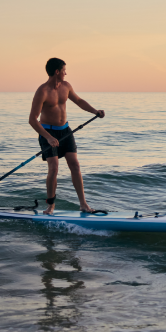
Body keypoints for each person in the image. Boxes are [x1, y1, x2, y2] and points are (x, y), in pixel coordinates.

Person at [29, 58, 105, 215]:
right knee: (54, 168)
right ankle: (50, 206)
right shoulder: (42, 91)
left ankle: (83, 204)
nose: (66, 72)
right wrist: (48, 137)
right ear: (57, 72)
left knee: (75, 165)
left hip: (66, 131)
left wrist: (94, 111)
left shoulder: (66, 86)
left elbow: (78, 100)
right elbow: (32, 120)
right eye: (64, 70)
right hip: (48, 133)